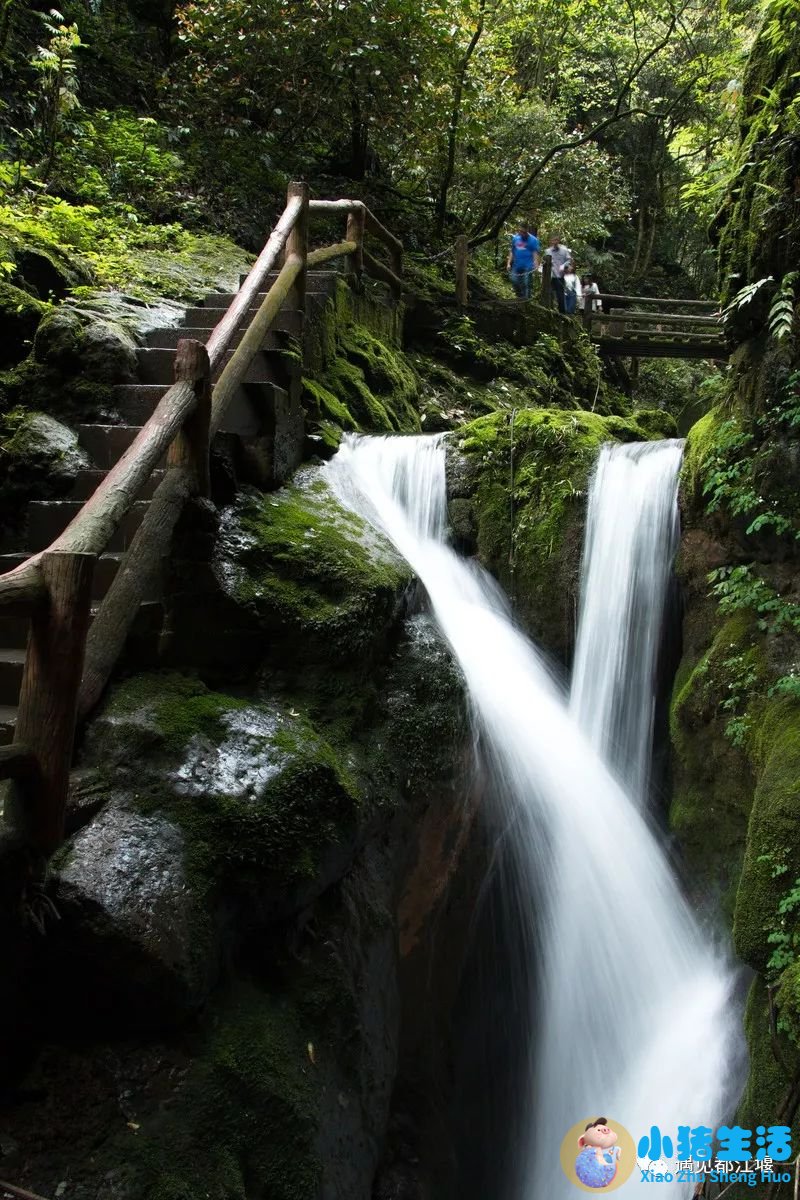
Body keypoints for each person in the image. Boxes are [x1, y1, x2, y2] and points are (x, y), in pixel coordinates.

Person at [506, 220, 540, 300]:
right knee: (514, 281)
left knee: (526, 284)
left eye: (523, 231)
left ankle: (526, 302)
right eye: (520, 231)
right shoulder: (515, 238)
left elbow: (535, 253)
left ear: (527, 230)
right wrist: (508, 263)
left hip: (528, 266)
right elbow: (512, 251)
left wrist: (536, 264)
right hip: (517, 265)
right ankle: (520, 298)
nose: (521, 233)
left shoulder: (533, 240)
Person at [544, 233, 572, 312]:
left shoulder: (564, 250)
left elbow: (569, 260)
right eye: (553, 240)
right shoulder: (547, 251)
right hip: (550, 277)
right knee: (549, 295)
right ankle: (549, 311)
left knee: (560, 296)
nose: (555, 242)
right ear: (550, 241)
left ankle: (562, 313)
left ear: (559, 240)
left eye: (556, 240)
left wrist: (564, 266)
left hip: (559, 277)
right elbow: (544, 263)